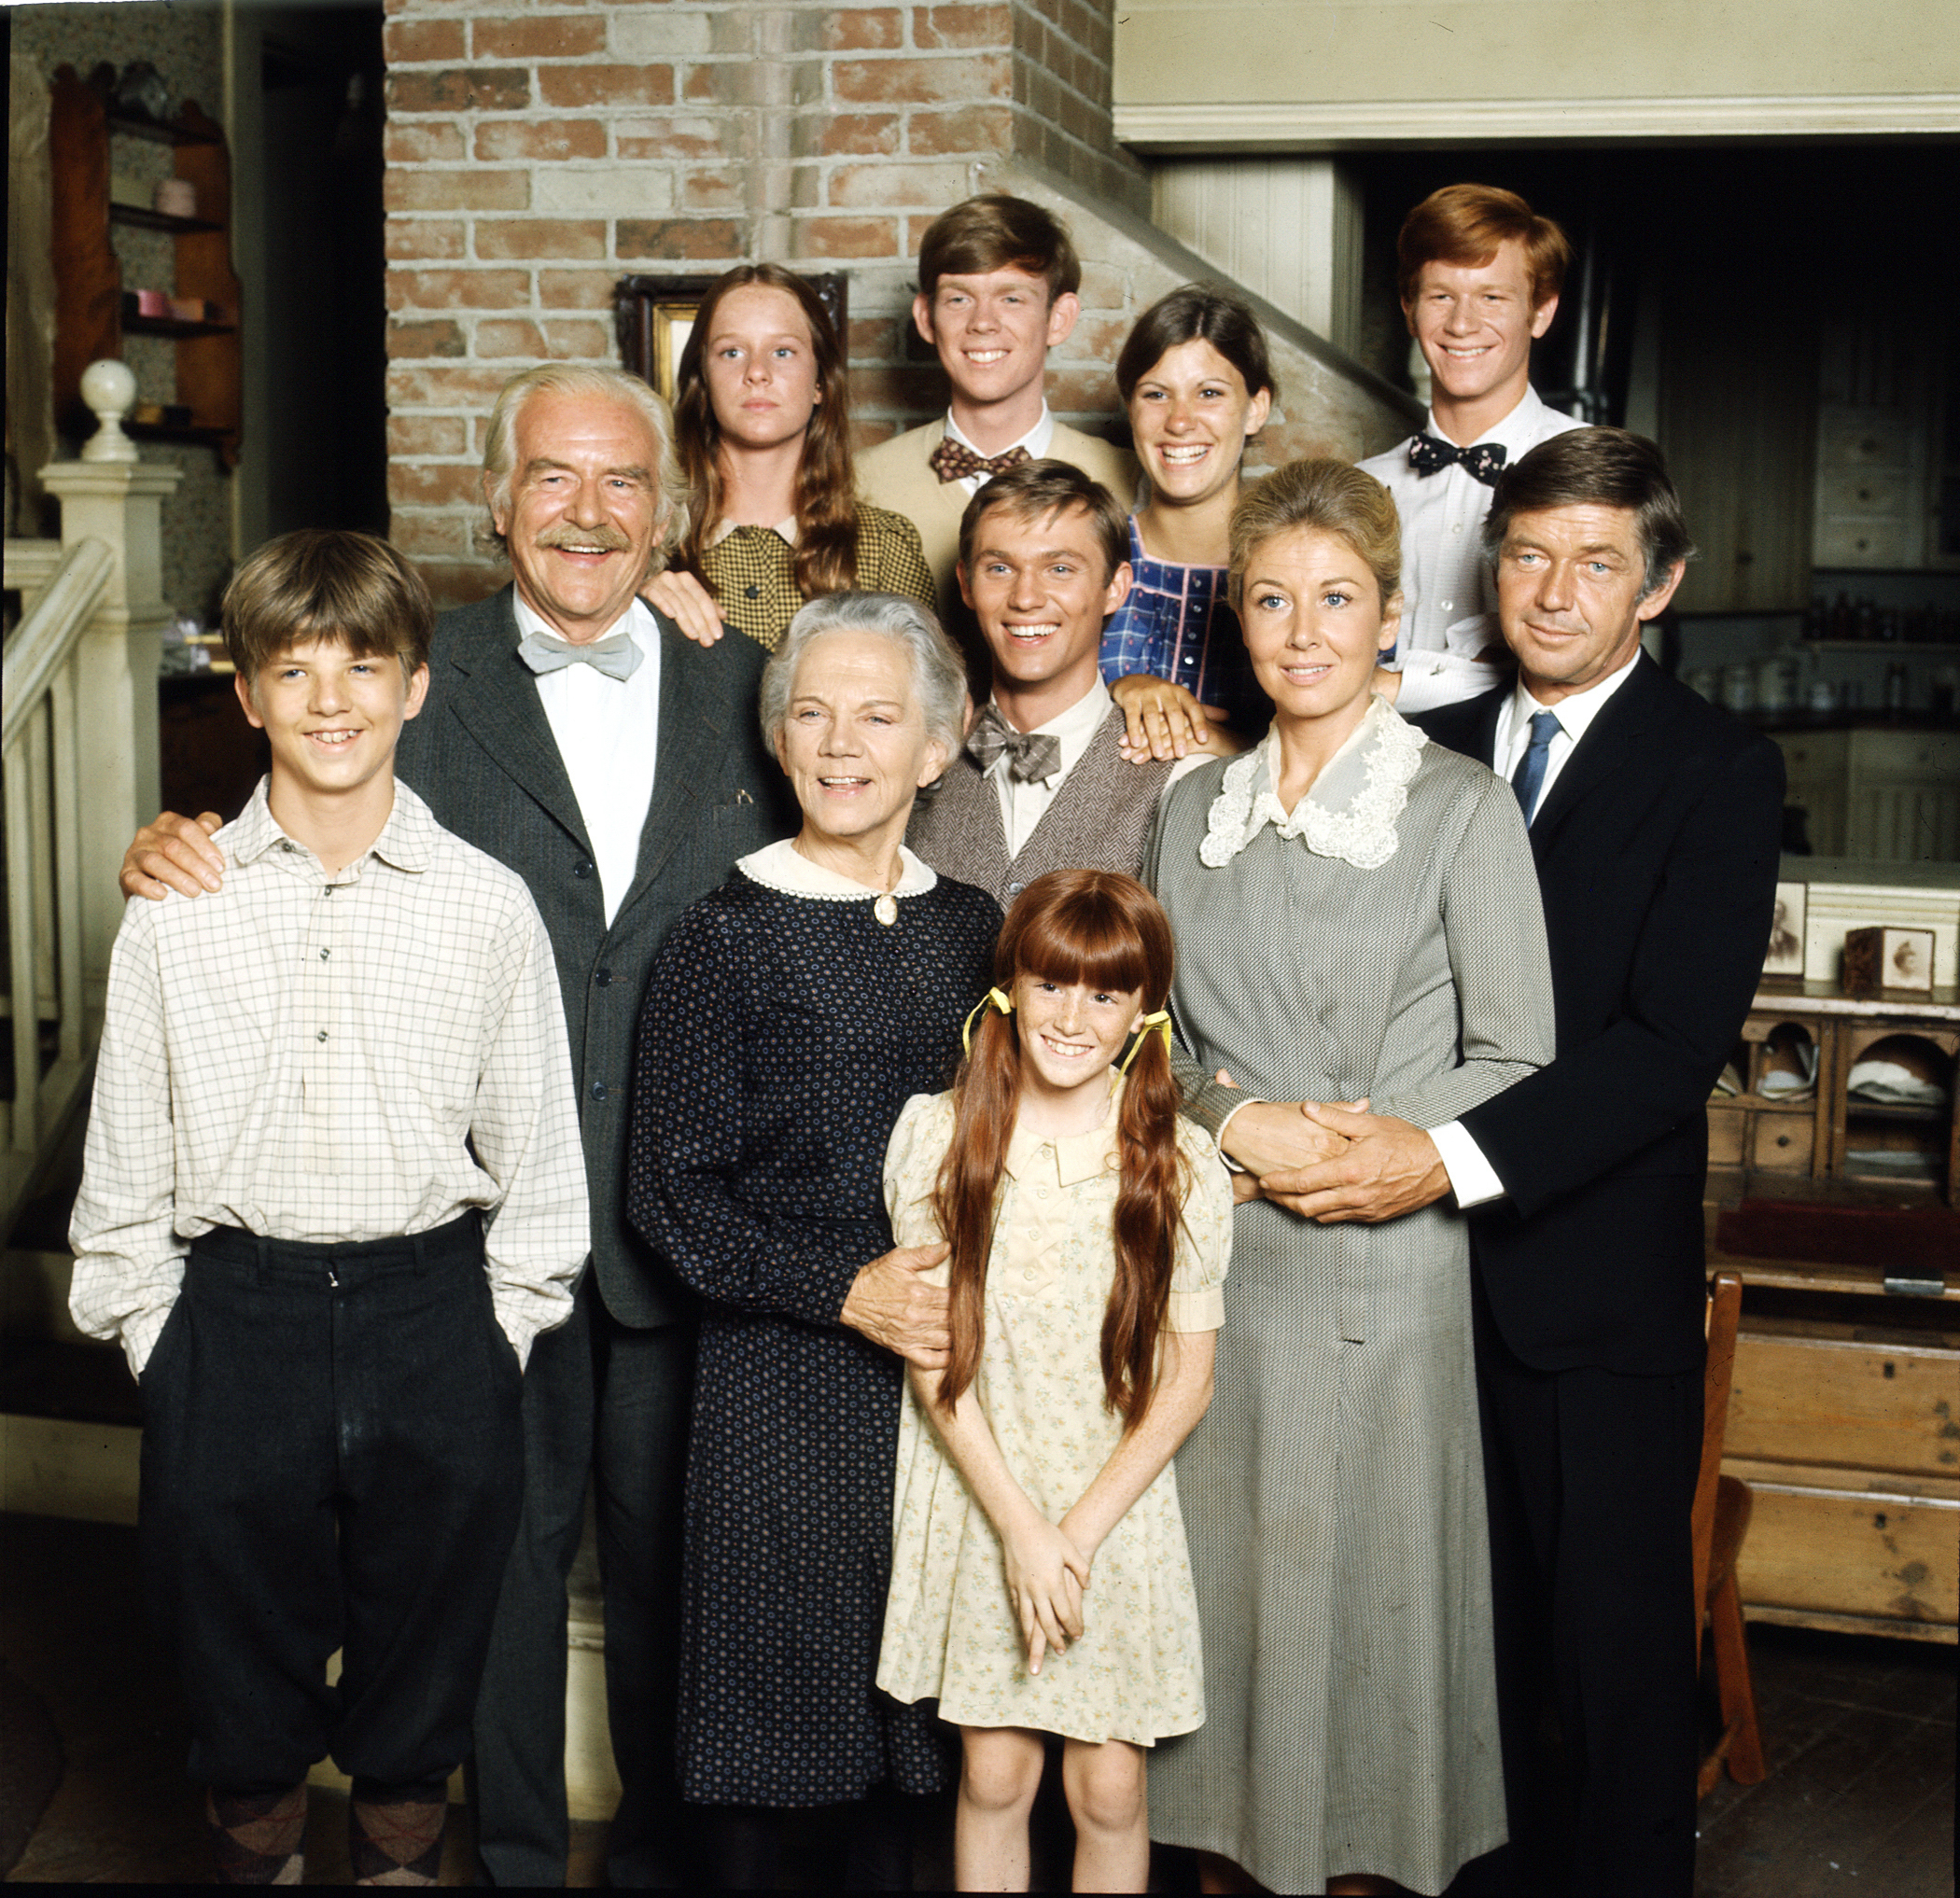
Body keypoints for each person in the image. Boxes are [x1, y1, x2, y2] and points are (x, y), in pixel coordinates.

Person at [118, 362, 795, 1888]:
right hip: (479, 1241)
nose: (587, 511)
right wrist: (171, 843)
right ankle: (508, 1862)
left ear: (668, 512)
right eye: (552, 476)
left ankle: (664, 1869)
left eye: (623, 482)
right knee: (479, 1583)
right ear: (497, 501)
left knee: (681, 1577)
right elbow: (294, 813)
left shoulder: (745, 678)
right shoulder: (413, 665)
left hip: (692, 1226)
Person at [1255, 428, 1785, 1895]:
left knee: (1610, 1685)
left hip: (1589, 1304)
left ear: (1659, 585)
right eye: (1530, 555)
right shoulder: (1419, 739)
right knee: (1449, 1677)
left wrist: (1444, 1156)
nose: (1554, 592)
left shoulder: (1718, 770)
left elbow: (1667, 1046)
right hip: (1407, 1293)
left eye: (1597, 563)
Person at [71, 530, 590, 1887]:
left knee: (418, 1699)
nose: (331, 699)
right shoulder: (177, 909)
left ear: (417, 686)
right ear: (243, 694)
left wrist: (496, 1339)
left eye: (364, 664)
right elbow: (124, 1166)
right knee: (237, 1694)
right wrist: (160, 1342)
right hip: (234, 1318)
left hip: (434, 1313)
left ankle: (399, 1866)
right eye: (292, 670)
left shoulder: (487, 907)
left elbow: (538, 1170)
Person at [1141, 459, 1556, 1894]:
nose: (1303, 630)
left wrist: (1387, 1152)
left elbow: (1519, 1055)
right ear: (1235, 622)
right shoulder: (1191, 808)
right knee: (1226, 1627)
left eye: (1336, 599)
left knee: (1362, 1629)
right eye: (1271, 598)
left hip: (1387, 1272)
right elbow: (1154, 1041)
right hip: (1221, 1278)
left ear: (1390, 616)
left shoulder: (1458, 808)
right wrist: (1232, 1121)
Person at [626, 593, 1000, 1890]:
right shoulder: (721, 935)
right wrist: (844, 1289)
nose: (843, 743)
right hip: (781, 1380)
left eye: (878, 715)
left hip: (947, 1379)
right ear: (778, 741)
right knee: (774, 1723)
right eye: (813, 713)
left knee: (919, 1736)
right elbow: (670, 1193)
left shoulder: (974, 929)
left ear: (937, 747)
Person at [877, 869, 1233, 1894]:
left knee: (1111, 1791)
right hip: (986, 1493)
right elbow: (936, 1360)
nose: (1073, 1017)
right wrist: (1024, 1532)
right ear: (1009, 991)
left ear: (1142, 1013)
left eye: (1106, 994)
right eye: (1051, 985)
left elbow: (1188, 1380)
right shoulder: (940, 1140)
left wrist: (1073, 1536)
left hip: (1112, 1509)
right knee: (993, 1774)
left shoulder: (1179, 1164)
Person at [908, 460, 1217, 905]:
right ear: (966, 584)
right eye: (999, 568)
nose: (1026, 598)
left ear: (1115, 587)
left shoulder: (1179, 779)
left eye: (1060, 569)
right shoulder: (917, 759)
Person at [857, 193, 1139, 637]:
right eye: (958, 299)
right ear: (926, 319)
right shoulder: (861, 482)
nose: (983, 322)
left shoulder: (1129, 481)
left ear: (1060, 318)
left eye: (1011, 298)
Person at [1358, 184, 1582, 715]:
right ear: (1410, 310)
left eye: (1492, 297)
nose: (1461, 324)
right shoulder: (1364, 485)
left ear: (1542, 312)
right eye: (1441, 296)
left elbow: (1577, 659)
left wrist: (1392, 685)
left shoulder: (1588, 471)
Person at [643, 263, 934, 650]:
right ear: (703, 381)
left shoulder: (886, 547)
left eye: (782, 351)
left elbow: (928, 701)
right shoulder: (647, 544)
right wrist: (631, 606)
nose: (757, 372)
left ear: (819, 383)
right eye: (731, 352)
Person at [1099, 284, 1276, 744]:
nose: (1179, 421)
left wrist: (1230, 751)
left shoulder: (1292, 568)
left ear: (1256, 409)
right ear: (1130, 408)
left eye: (1209, 393)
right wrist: (1117, 694)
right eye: (1156, 395)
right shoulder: (1089, 558)